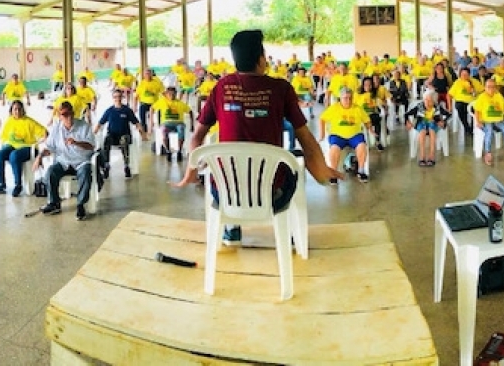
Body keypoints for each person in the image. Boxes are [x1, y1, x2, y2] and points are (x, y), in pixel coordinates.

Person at [174, 29, 342, 245]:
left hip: (225, 194)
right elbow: (306, 140)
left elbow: (197, 137)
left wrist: (192, 171)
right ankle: (286, 230)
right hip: (272, 194)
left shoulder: (220, 88)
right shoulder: (281, 88)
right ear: (261, 59)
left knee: (227, 171)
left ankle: (232, 228)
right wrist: (321, 171)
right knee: (291, 168)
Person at [34, 101, 96, 220]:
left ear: (73, 112)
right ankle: (54, 203)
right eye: (64, 114)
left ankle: (80, 204)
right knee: (50, 172)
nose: (68, 116)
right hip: (64, 162)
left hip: (81, 161)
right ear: (59, 116)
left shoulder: (83, 126)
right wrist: (40, 156)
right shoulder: (56, 128)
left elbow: (91, 146)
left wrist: (77, 143)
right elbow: (49, 147)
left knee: (86, 174)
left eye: (70, 113)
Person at [0, 100, 46, 196]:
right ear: (11, 111)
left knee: (14, 156)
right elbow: (3, 136)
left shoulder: (29, 121)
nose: (17, 111)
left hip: (28, 147)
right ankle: (2, 184)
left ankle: (18, 185)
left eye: (19, 109)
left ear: (23, 110)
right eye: (15, 109)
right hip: (11, 146)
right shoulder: (9, 121)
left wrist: (42, 140)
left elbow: (44, 132)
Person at [320, 86, 372, 183]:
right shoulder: (334, 108)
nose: (348, 100)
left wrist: (371, 130)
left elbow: (367, 120)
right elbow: (322, 119)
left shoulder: (357, 108)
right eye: (345, 98)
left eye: (350, 98)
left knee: (362, 146)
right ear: (340, 98)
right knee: (334, 148)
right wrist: (322, 134)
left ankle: (361, 171)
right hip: (337, 136)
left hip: (355, 135)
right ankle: (334, 173)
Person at [93, 89, 147, 179]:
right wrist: (93, 134)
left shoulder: (127, 110)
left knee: (124, 141)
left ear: (122, 97)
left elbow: (136, 123)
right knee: (107, 140)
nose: (117, 98)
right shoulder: (109, 111)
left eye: (119, 96)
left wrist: (143, 134)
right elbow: (100, 124)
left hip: (125, 135)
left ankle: (126, 166)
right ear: (113, 98)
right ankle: (106, 165)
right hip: (112, 136)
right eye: (115, 97)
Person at [474, 78, 504, 165]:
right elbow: (477, 110)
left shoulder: (498, 96)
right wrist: (478, 121)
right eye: (488, 87)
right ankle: (488, 153)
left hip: (498, 120)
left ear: (495, 88)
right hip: (486, 120)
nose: (491, 89)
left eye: (493, 87)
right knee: (489, 131)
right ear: (485, 87)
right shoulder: (482, 97)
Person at [405, 90, 451, 167]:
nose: (427, 102)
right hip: (421, 124)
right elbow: (406, 114)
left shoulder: (437, 107)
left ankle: (431, 156)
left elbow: (449, 115)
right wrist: (407, 122)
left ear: (434, 101)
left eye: (429, 100)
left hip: (433, 124)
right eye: (425, 99)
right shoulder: (419, 106)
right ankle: (422, 156)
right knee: (422, 132)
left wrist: (443, 122)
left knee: (432, 131)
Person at [150, 86, 194, 162]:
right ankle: (168, 151)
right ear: (166, 94)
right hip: (166, 123)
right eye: (170, 94)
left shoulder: (180, 103)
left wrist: (192, 124)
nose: (171, 96)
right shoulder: (162, 101)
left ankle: (179, 151)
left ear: (176, 94)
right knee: (164, 131)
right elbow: (152, 108)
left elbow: (190, 111)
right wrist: (151, 121)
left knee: (181, 129)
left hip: (178, 123)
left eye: (173, 94)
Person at [448, 67, 482, 136]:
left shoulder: (475, 81)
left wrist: (475, 93)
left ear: (469, 75)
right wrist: (449, 107)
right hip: (461, 101)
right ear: (460, 75)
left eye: (466, 74)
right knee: (459, 107)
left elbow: (483, 91)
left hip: (473, 101)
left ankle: (473, 128)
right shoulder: (457, 82)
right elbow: (449, 95)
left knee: (476, 109)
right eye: (462, 74)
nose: (464, 76)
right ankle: (466, 127)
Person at [355, 76, 384, 151]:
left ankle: (377, 141)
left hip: (372, 114)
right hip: (361, 115)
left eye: (370, 84)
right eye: (366, 84)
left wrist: (383, 107)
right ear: (363, 85)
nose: (368, 86)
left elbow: (379, 104)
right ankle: (364, 141)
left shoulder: (374, 95)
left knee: (377, 119)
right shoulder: (358, 95)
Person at [135, 68, 164, 133]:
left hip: (155, 103)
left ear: (152, 74)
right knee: (141, 108)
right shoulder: (141, 84)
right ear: (144, 75)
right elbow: (136, 96)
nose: (148, 75)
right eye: (146, 74)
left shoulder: (157, 83)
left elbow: (163, 93)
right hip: (145, 103)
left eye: (149, 73)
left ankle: (160, 125)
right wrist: (134, 107)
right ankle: (143, 125)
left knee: (161, 108)